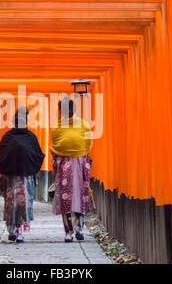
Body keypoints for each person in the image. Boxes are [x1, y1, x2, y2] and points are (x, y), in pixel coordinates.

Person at [0, 106, 45, 243]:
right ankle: (20, 231)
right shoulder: (31, 138)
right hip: (25, 178)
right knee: (23, 204)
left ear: (13, 122)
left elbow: (0, 157)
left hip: (10, 179)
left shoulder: (7, 137)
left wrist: (0, 174)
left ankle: (11, 230)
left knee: (11, 203)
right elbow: (38, 156)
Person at [50, 97, 96, 242]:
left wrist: (56, 166)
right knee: (80, 195)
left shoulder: (57, 128)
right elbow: (89, 143)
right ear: (74, 110)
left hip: (65, 166)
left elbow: (55, 147)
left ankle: (69, 231)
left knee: (66, 198)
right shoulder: (85, 125)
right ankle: (79, 229)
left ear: (60, 112)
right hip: (82, 163)